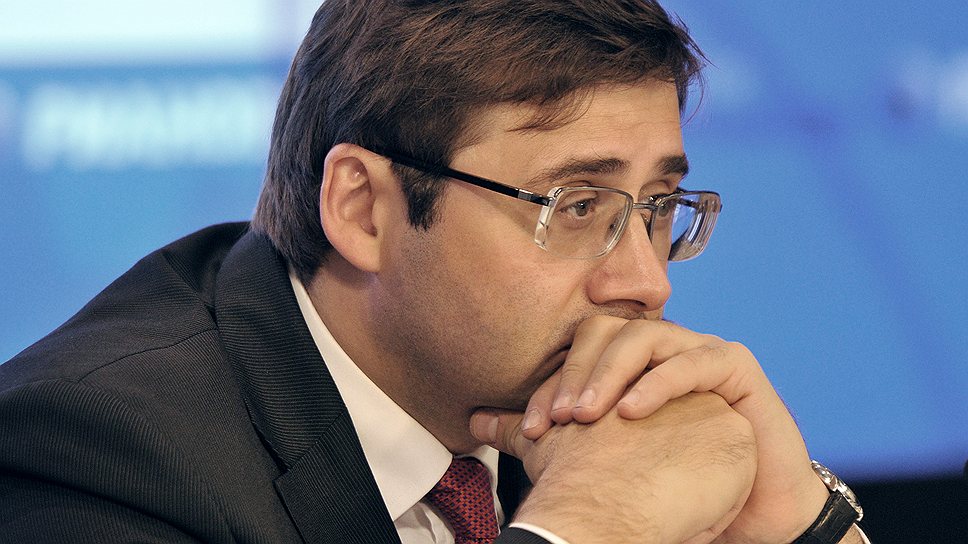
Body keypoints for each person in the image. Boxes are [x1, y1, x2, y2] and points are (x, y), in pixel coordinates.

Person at [0, 1, 870, 542]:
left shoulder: (591, 419)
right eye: (576, 206)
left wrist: (800, 522)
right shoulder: (98, 458)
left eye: (655, 207)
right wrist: (591, 527)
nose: (646, 284)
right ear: (363, 210)